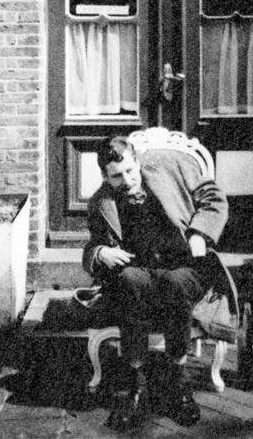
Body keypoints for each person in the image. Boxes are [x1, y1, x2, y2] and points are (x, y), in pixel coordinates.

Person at [83, 134, 228, 431]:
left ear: (137, 161)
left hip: (185, 265)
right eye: (116, 176)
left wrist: (200, 232)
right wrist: (102, 252)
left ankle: (178, 382)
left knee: (175, 285)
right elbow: (92, 245)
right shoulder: (102, 202)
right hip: (139, 271)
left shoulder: (173, 166)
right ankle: (133, 386)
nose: (126, 180)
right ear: (105, 176)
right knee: (128, 282)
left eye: (130, 171)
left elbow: (215, 199)